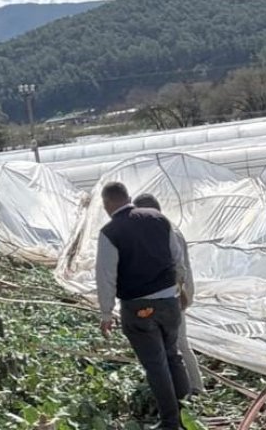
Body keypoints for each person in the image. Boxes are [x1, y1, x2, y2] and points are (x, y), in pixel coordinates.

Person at [97, 182, 190, 429]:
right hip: (169, 301)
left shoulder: (110, 232)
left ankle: (171, 422)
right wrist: (178, 288)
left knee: (156, 363)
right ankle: (189, 412)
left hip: (138, 307)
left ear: (107, 204)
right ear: (128, 197)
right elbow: (176, 257)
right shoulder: (159, 218)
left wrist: (106, 313)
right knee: (173, 355)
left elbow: (106, 276)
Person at [133, 193, 204, 396]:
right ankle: (184, 386)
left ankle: (195, 389)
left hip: (174, 294)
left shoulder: (166, 232)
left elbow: (177, 269)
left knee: (178, 342)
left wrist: (177, 293)